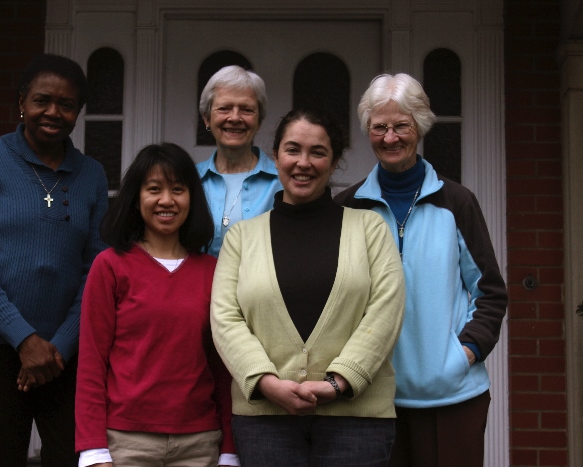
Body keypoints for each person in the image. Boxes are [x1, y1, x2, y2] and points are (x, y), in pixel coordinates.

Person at [211, 108, 405, 466]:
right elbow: (225, 318)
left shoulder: (370, 229)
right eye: (292, 149)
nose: (304, 162)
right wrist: (266, 383)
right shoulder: (241, 238)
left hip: (357, 421)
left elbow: (386, 310)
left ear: (334, 162)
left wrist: (339, 382)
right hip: (265, 421)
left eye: (318, 152)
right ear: (275, 157)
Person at [334, 73, 508, 467]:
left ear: (421, 126)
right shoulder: (349, 207)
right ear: (368, 131)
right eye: (379, 127)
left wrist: (464, 353)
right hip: (372, 397)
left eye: (402, 126)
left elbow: (491, 292)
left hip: (451, 396)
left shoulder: (457, 202)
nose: (390, 138)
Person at [0, 53, 108, 466]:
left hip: (66, 355)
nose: (53, 112)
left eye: (67, 104)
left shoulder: (92, 174)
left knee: (72, 459)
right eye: (42, 100)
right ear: (22, 101)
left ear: (79, 112)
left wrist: (57, 347)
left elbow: (96, 268)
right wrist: (23, 338)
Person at [75, 143, 238, 467]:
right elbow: (92, 364)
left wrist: (229, 451)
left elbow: (223, 370)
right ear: (136, 199)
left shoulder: (213, 271)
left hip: (199, 443)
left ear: (192, 198)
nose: (167, 200)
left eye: (178, 189)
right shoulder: (110, 267)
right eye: (154, 189)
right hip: (126, 444)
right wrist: (94, 451)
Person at [197, 65, 282, 257]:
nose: (235, 118)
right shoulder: (188, 180)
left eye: (246, 110)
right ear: (206, 118)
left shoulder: (283, 182)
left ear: (259, 120)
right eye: (224, 108)